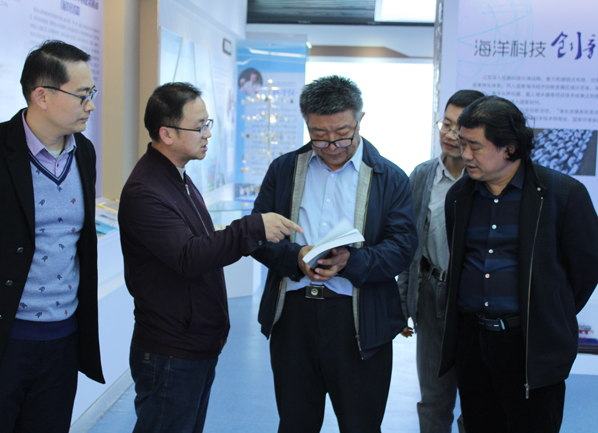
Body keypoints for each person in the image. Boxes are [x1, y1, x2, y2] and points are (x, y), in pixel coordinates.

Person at [118, 82, 301, 433]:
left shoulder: (178, 180)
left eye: (208, 123)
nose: (208, 134)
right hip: (171, 347)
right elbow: (189, 255)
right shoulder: (146, 190)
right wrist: (253, 228)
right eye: (199, 126)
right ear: (167, 134)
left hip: (193, 343)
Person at [0, 40, 104, 432]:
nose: (91, 106)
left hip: (62, 342)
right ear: (42, 96)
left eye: (92, 93)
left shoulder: (83, 153)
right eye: (82, 95)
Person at [252, 75, 417, 433]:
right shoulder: (284, 170)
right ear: (307, 124)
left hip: (360, 320)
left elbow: (403, 246)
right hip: (293, 316)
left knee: (361, 424)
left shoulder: (389, 177)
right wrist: (295, 257)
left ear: (360, 119)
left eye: (342, 134)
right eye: (319, 135)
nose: (332, 145)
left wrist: (350, 262)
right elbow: (258, 235)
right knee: (295, 423)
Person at [440, 95, 598, 433]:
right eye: (463, 144)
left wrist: (548, 310)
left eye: (475, 146)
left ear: (509, 148)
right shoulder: (460, 196)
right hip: (473, 343)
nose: (465, 155)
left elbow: (585, 270)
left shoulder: (562, 195)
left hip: (530, 346)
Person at [398, 89, 484, 433]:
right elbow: (409, 245)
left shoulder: (487, 180)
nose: (449, 134)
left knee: (478, 400)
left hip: (474, 301)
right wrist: (403, 301)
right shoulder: (422, 175)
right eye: (445, 124)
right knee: (434, 399)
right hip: (431, 292)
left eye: (458, 128)